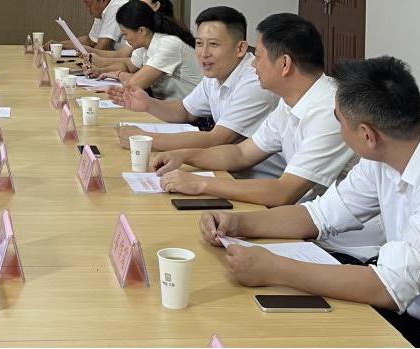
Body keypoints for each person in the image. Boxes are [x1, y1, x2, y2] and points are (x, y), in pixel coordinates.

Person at [198, 57, 420, 348]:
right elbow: (319, 215)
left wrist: (274, 268)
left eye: (339, 121)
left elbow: (387, 287)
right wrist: (239, 223)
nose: (338, 129)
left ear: (367, 135)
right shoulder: (388, 152)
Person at [153, 13, 382, 259]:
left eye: (259, 56)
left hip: (347, 247)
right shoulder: (291, 101)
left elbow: (284, 192)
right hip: (305, 226)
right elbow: (241, 153)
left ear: (284, 64)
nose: (253, 64)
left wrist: (201, 183)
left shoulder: (328, 111)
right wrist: (185, 156)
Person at [109, 6, 280, 167]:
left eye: (214, 44)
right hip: (227, 168)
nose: (204, 53)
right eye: (199, 43)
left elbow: (217, 139)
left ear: (241, 48)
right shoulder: (216, 72)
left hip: (256, 178)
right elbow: (185, 111)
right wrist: (148, 104)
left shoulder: (255, 81)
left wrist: (145, 139)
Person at [85, 0, 201, 100]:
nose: (124, 38)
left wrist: (118, 74)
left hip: (194, 114)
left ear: (141, 31)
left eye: (125, 34)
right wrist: (100, 71)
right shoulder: (145, 45)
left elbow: (135, 83)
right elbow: (128, 65)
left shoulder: (168, 45)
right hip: (169, 106)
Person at [62, 0, 127, 51]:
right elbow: (90, 40)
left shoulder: (116, 8)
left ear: (103, 1)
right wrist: (60, 45)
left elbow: (102, 47)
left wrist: (86, 56)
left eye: (89, 4)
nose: (87, 8)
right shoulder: (102, 11)